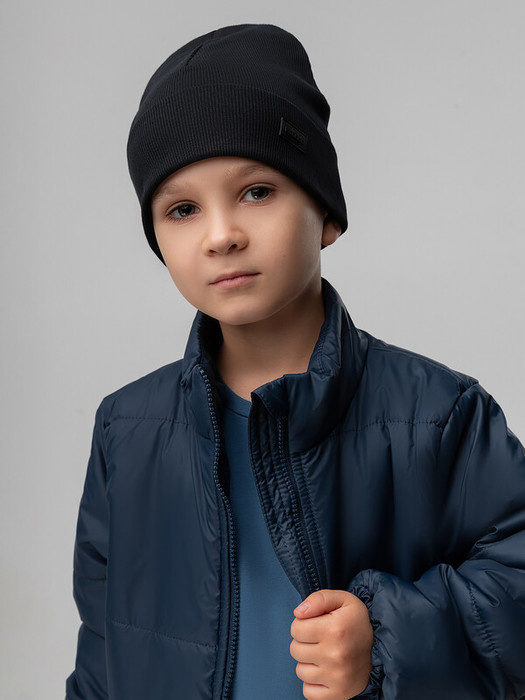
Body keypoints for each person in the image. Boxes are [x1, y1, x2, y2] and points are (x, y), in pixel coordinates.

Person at [66, 23, 525, 700]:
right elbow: (103, 651)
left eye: (257, 191)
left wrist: (385, 639)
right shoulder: (126, 430)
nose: (221, 235)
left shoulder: (438, 416)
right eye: (183, 209)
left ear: (326, 214)